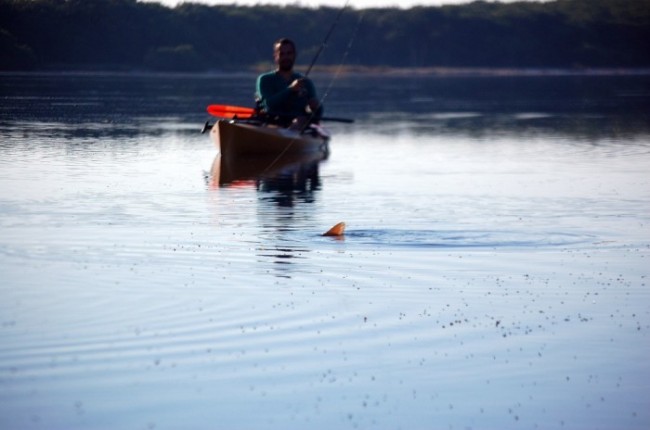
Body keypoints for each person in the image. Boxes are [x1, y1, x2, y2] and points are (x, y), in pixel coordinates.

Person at [256, 38, 323, 128]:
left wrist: (316, 106)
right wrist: (291, 89)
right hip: (272, 123)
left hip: (299, 126)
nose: (286, 57)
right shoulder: (265, 79)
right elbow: (268, 105)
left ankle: (292, 133)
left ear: (294, 55)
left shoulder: (306, 82)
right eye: (282, 54)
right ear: (275, 56)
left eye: (289, 53)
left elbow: (318, 113)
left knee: (301, 120)